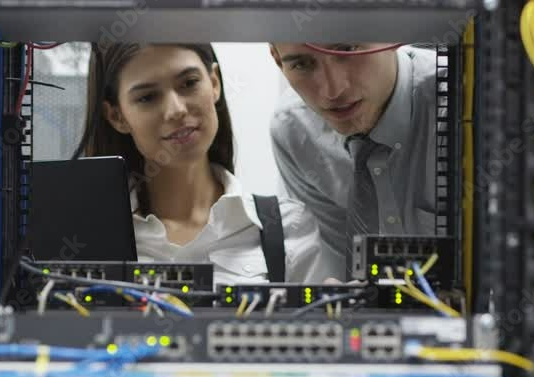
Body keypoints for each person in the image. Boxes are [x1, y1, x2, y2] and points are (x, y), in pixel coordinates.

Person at [77, 43, 332, 285]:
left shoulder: (290, 228)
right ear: (116, 116)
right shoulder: (84, 237)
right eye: (147, 97)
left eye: (189, 83)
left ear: (214, 82)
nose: (176, 110)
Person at [269, 43, 438, 280]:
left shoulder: (465, 100)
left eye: (348, 51)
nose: (333, 90)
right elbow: (337, 275)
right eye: (302, 64)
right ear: (277, 59)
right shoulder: (294, 129)